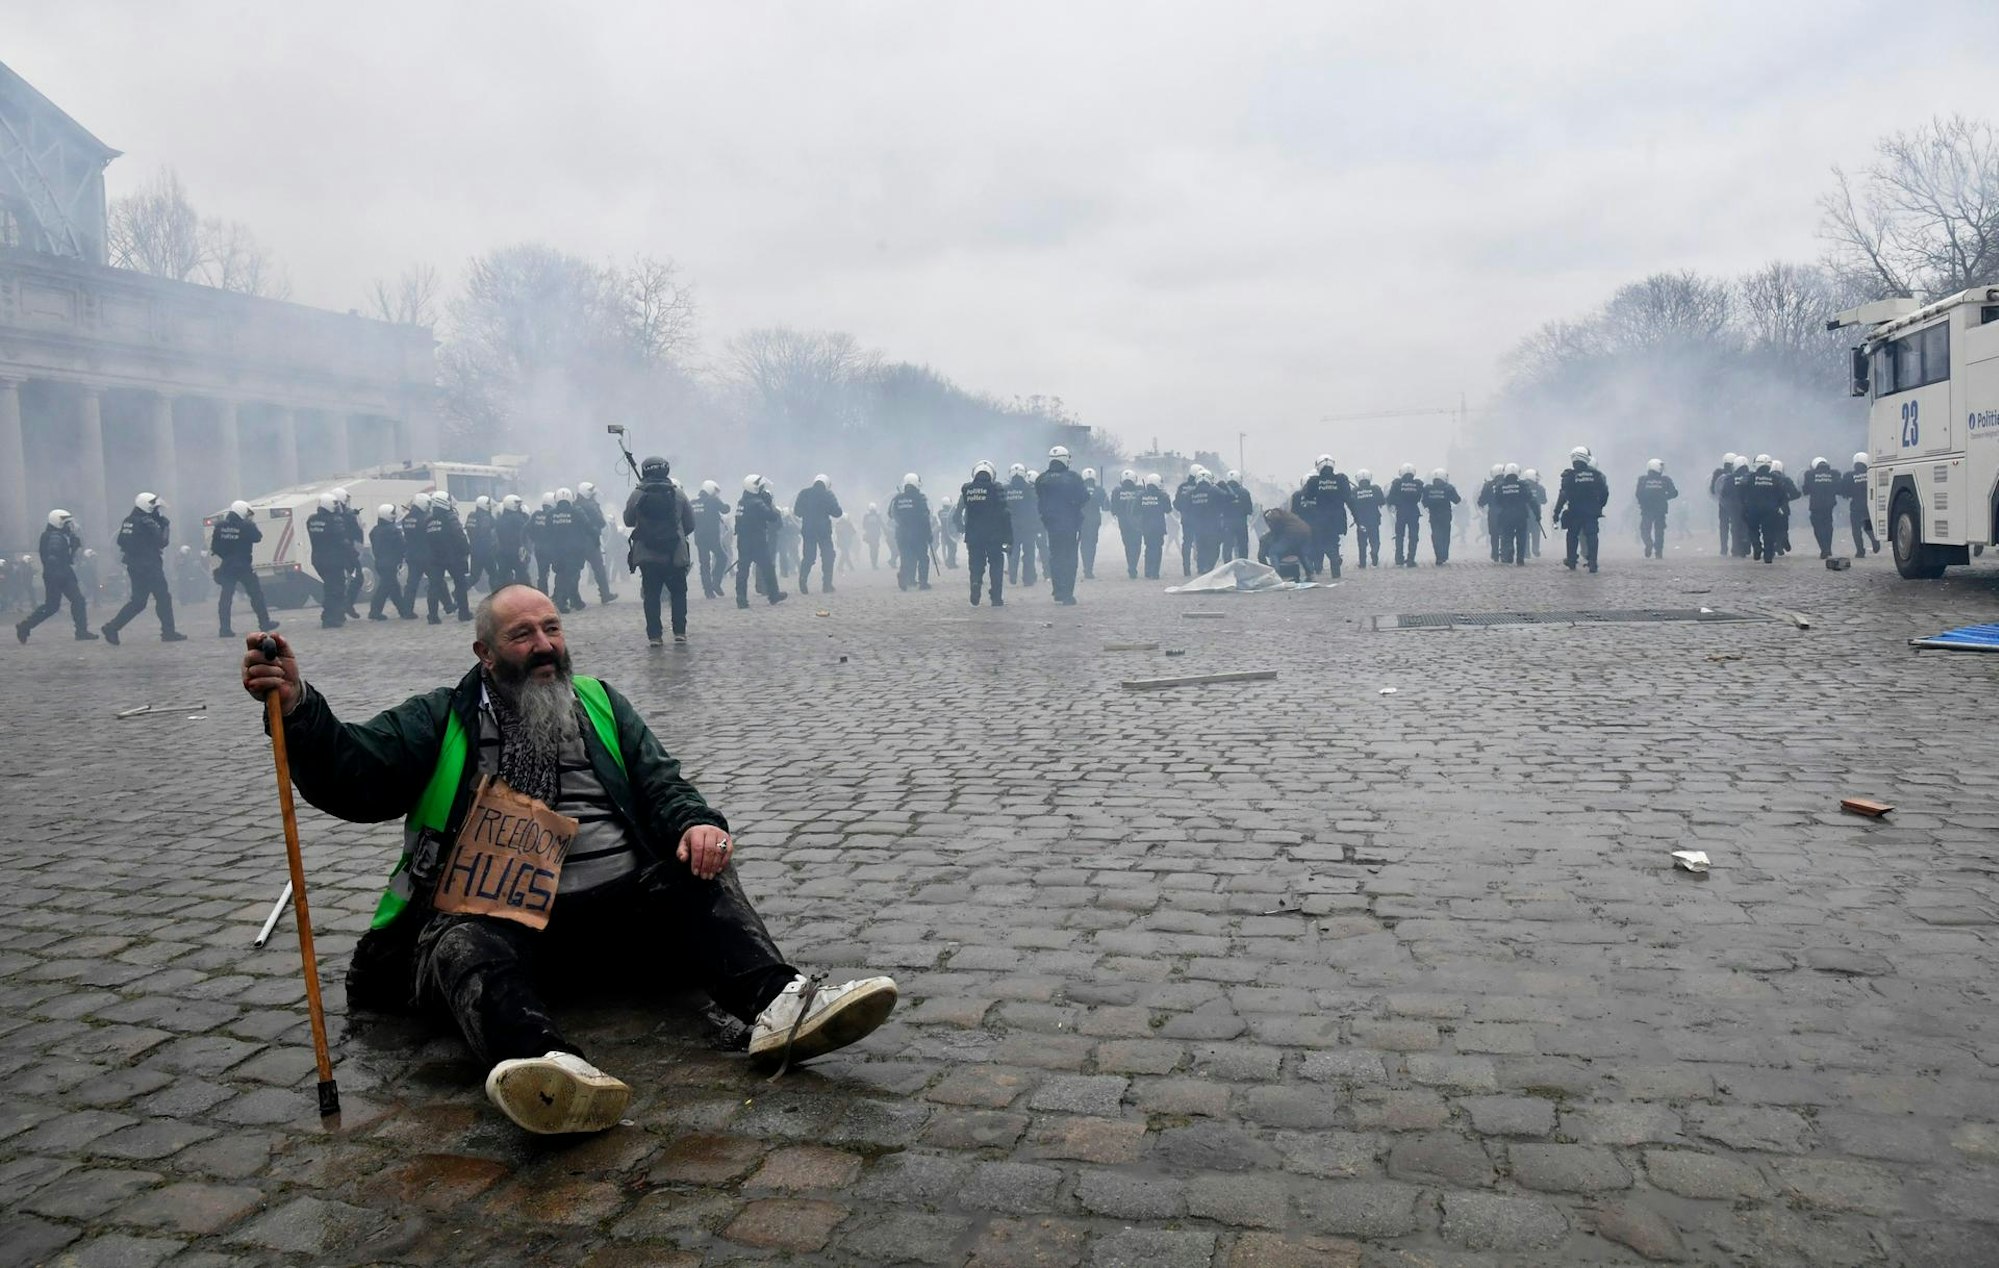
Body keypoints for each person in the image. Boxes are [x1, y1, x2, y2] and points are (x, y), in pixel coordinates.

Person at [239, 586, 899, 1135]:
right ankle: (542, 1066)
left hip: (621, 922)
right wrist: (298, 708)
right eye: (522, 635)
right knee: (460, 941)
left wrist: (698, 823)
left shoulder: (602, 703)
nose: (544, 645)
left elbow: (662, 783)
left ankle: (778, 1004)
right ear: (486, 653)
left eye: (550, 628)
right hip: (501, 922)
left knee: (699, 868)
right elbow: (355, 775)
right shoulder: (441, 717)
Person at [622, 456, 697, 645]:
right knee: (679, 593)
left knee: (652, 595)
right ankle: (679, 631)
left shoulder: (637, 494)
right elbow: (690, 524)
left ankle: (654, 635)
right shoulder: (678, 494)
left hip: (647, 554)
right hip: (674, 553)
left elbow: (628, 521)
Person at [101, 492, 185, 644]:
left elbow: (121, 541)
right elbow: (162, 542)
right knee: (163, 598)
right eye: (156, 508)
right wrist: (165, 525)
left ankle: (112, 627)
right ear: (148, 507)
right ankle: (168, 632)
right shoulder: (148, 522)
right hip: (150, 565)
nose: (158, 511)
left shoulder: (129, 520)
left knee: (138, 601)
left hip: (135, 565)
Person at [15, 510, 95, 643]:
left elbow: (65, 558)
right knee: (56, 605)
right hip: (58, 574)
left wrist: (72, 546)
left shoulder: (56, 535)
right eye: (66, 523)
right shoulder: (54, 537)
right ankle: (25, 626)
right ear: (58, 522)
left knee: (69, 602)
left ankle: (81, 631)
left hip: (60, 573)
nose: (69, 526)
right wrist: (72, 548)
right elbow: (56, 557)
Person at [211, 500, 279, 637]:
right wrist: (251, 524)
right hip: (243, 565)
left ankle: (224, 628)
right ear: (242, 511)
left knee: (226, 597)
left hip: (227, 565)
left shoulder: (220, 526)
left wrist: (227, 556)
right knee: (256, 594)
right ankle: (264, 622)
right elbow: (258, 538)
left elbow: (215, 547)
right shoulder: (247, 525)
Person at [1035, 446, 1090, 605]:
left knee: (1055, 556)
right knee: (1070, 558)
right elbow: (1084, 497)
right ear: (1065, 459)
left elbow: (1040, 499)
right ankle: (1067, 594)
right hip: (1070, 524)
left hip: (1051, 524)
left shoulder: (1041, 479)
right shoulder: (1073, 478)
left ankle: (1058, 590)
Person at [956, 460, 1012, 607]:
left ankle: (975, 583)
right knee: (996, 564)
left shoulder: (966, 489)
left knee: (975, 564)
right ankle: (996, 597)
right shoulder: (996, 488)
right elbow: (1005, 513)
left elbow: (958, 513)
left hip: (973, 535)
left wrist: (962, 528)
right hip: (994, 534)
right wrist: (1009, 536)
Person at [1551, 447, 1608, 573]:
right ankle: (1593, 562)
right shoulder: (1596, 475)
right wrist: (1600, 506)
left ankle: (1571, 561)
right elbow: (1604, 492)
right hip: (1591, 511)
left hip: (1575, 511)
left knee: (1572, 535)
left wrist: (1556, 512)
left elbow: (1563, 495)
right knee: (1592, 535)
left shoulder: (1569, 476)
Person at [734, 475, 786, 608]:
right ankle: (773, 595)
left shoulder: (742, 502)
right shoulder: (757, 503)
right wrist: (769, 503)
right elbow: (772, 517)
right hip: (757, 540)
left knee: (743, 570)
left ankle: (741, 598)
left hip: (743, 540)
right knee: (768, 568)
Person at [425, 494, 475, 623]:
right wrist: (466, 549)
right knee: (460, 584)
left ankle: (432, 616)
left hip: (434, 558)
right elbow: (459, 535)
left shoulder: (428, 520)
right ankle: (464, 613)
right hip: (453, 557)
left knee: (434, 586)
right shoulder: (450, 517)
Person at [1299, 456, 1351, 578]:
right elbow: (1350, 500)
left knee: (1323, 543)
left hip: (1321, 519)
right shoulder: (1341, 479)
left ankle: (1333, 558)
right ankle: (1336, 573)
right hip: (1338, 519)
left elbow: (1307, 497)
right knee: (1334, 541)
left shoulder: (1314, 481)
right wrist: (1358, 520)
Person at [306, 492, 352, 629]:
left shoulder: (311, 520)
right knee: (336, 589)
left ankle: (332, 615)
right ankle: (331, 618)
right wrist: (351, 554)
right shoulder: (334, 520)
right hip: (333, 559)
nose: (337, 506)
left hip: (318, 559)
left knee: (329, 587)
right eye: (335, 504)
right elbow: (341, 540)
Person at [793, 475, 843, 596]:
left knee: (809, 557)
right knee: (828, 556)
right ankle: (827, 584)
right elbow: (837, 513)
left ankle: (803, 578)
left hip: (808, 529)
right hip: (823, 531)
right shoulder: (828, 495)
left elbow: (797, 512)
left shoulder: (804, 493)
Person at [369, 503, 416, 620]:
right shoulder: (393, 531)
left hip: (380, 562)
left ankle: (403, 611)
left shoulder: (375, 531)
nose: (395, 516)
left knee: (393, 587)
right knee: (384, 588)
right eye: (393, 513)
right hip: (390, 563)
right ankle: (375, 611)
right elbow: (402, 546)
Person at [1178, 467, 1228, 576]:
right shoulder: (1214, 490)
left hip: (1197, 526)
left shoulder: (1190, 493)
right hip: (1213, 525)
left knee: (1200, 547)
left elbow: (1183, 507)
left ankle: (1200, 568)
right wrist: (1224, 486)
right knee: (1214, 547)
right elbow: (1228, 497)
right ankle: (1209, 567)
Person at [575, 483, 618, 604]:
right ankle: (605, 594)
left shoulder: (575, 505)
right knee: (599, 569)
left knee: (574, 571)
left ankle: (572, 596)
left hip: (577, 542)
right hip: (591, 542)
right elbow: (601, 522)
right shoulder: (591, 506)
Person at [546, 489, 588, 614]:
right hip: (574, 550)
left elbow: (547, 532)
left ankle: (570, 600)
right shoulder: (576, 512)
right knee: (571, 576)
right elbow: (587, 526)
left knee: (560, 575)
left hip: (556, 550)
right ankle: (563, 601)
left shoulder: (551, 514)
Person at [889, 474, 932, 592]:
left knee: (906, 557)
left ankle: (906, 577)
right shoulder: (920, 498)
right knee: (922, 558)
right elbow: (925, 517)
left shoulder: (897, 498)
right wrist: (929, 534)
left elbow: (891, 514)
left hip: (901, 534)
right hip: (918, 533)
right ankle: (923, 582)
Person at [1741, 455, 1784, 564]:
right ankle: (1768, 556)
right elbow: (1782, 494)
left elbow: (1742, 491)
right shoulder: (1775, 478)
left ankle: (1757, 547)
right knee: (1769, 532)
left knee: (1753, 529)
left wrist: (1745, 506)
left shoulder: (1750, 477)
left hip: (1753, 509)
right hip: (1770, 510)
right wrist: (1777, 505)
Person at [692, 480, 732, 598]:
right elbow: (725, 509)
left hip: (699, 537)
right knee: (722, 557)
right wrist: (727, 505)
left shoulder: (693, 503)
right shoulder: (713, 501)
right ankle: (716, 582)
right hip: (712, 537)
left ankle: (708, 591)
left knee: (704, 564)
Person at [1635, 459, 1679, 559]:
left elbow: (1638, 494)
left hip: (1646, 509)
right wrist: (1664, 497)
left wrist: (1644, 502)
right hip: (1661, 509)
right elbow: (1674, 493)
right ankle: (1658, 552)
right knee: (1659, 531)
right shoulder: (1665, 480)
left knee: (1645, 529)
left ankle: (1648, 543)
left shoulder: (1642, 480)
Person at [1003, 464, 1038, 586]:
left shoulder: (1005, 489)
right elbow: (1034, 507)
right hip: (1028, 525)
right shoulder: (1029, 489)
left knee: (1013, 551)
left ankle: (1012, 576)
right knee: (1029, 553)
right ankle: (1028, 579)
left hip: (1010, 525)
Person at [1258, 504, 1314, 581]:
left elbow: (1275, 524)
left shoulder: (1272, 514)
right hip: (1306, 531)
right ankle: (1310, 575)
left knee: (1273, 552)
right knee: (1300, 553)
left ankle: (1276, 576)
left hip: (1292, 532)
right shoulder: (1285, 515)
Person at [1801, 457, 1842, 559]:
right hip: (1829, 506)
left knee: (1818, 528)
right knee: (1828, 526)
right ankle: (1828, 548)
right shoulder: (1834, 474)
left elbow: (1806, 490)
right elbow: (1839, 489)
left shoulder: (1809, 475)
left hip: (1816, 506)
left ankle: (1824, 549)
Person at [1386, 464, 1424, 567]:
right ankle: (1411, 559)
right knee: (1413, 537)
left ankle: (1399, 558)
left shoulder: (1397, 483)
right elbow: (1419, 497)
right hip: (1413, 512)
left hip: (1401, 513)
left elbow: (1390, 498)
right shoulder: (1418, 484)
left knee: (1399, 536)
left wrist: (1398, 503)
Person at [1136, 473, 1172, 579]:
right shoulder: (1162, 495)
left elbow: (1135, 510)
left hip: (1146, 526)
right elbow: (1168, 510)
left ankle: (1147, 571)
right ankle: (1155, 572)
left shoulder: (1141, 495)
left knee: (1148, 548)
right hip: (1158, 526)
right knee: (1157, 548)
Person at [1422, 469, 1461, 565]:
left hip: (1434, 515)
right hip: (1445, 515)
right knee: (1445, 536)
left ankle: (1438, 556)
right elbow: (1457, 500)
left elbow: (1424, 502)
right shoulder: (1448, 488)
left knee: (1435, 535)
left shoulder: (1428, 489)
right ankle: (1444, 555)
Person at [1842, 453, 1877, 557]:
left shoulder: (1849, 476)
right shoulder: (1870, 474)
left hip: (1855, 507)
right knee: (1868, 525)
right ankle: (1875, 541)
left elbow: (1845, 492)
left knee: (1856, 530)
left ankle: (1860, 551)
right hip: (1868, 505)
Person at [402, 495, 434, 607]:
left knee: (411, 584)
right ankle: (448, 605)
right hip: (426, 555)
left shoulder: (406, 519)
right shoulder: (426, 518)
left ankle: (407, 609)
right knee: (437, 581)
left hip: (412, 555)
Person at [1348, 470, 1384, 569]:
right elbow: (1382, 502)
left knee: (1362, 542)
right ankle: (1374, 557)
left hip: (1361, 521)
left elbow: (1351, 505)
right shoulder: (1376, 489)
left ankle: (1362, 563)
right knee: (1375, 540)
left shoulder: (1355, 491)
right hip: (1374, 520)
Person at [1110, 470, 1143, 579]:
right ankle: (1133, 566)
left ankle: (1131, 565)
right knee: (1137, 545)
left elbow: (1113, 509)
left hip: (1123, 523)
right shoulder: (1140, 490)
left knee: (1128, 545)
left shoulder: (1116, 492)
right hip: (1137, 522)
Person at [494, 494, 531, 587]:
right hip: (516, 552)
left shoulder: (500, 519)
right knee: (523, 578)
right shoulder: (517, 518)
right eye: (517, 504)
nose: (519, 506)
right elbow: (527, 528)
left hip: (502, 552)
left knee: (503, 579)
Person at [1077, 467, 1106, 578]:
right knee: (1092, 545)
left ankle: (1086, 568)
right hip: (1094, 521)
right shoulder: (1100, 490)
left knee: (1084, 545)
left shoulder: (1078, 489)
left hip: (1081, 519)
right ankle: (1089, 569)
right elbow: (1105, 507)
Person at [1220, 470, 1253, 563]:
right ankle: (1243, 564)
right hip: (1241, 523)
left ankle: (1227, 566)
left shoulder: (1222, 491)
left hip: (1227, 523)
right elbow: (1249, 510)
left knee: (1227, 546)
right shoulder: (1245, 492)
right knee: (1242, 545)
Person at [1171, 470, 1200, 577]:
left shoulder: (1182, 487)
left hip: (1186, 519)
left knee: (1186, 543)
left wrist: (1183, 511)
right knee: (1200, 542)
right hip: (1199, 519)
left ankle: (1186, 568)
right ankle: (1200, 566)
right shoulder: (1200, 487)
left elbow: (1176, 504)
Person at [467, 496, 498, 592]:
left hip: (474, 550)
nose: (490, 507)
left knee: (474, 577)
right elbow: (487, 532)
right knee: (494, 574)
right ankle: (495, 596)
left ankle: (458, 591)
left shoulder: (472, 515)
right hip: (486, 551)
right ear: (484, 506)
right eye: (488, 505)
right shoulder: (486, 518)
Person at [1710, 455, 1740, 556]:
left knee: (1723, 527)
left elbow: (1712, 490)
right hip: (1735, 504)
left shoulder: (1718, 473)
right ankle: (1735, 548)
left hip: (1723, 504)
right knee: (1735, 526)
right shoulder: (1736, 474)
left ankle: (1723, 549)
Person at [530, 492, 556, 594]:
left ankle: (542, 596)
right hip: (552, 548)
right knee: (561, 572)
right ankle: (559, 596)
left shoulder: (536, 515)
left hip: (538, 548)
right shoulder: (553, 515)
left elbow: (528, 529)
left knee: (542, 574)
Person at [1522, 467, 1547, 558]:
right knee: (1536, 532)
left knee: (1525, 532)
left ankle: (1526, 552)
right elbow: (1544, 501)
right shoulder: (1540, 488)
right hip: (1536, 514)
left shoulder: (1522, 487)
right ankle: (1535, 549)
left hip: (1524, 513)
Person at [861, 503, 886, 571]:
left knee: (872, 549)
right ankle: (874, 563)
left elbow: (863, 525)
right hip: (876, 535)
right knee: (875, 549)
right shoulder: (877, 515)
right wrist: (885, 530)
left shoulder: (866, 515)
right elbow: (881, 524)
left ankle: (873, 563)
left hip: (870, 535)